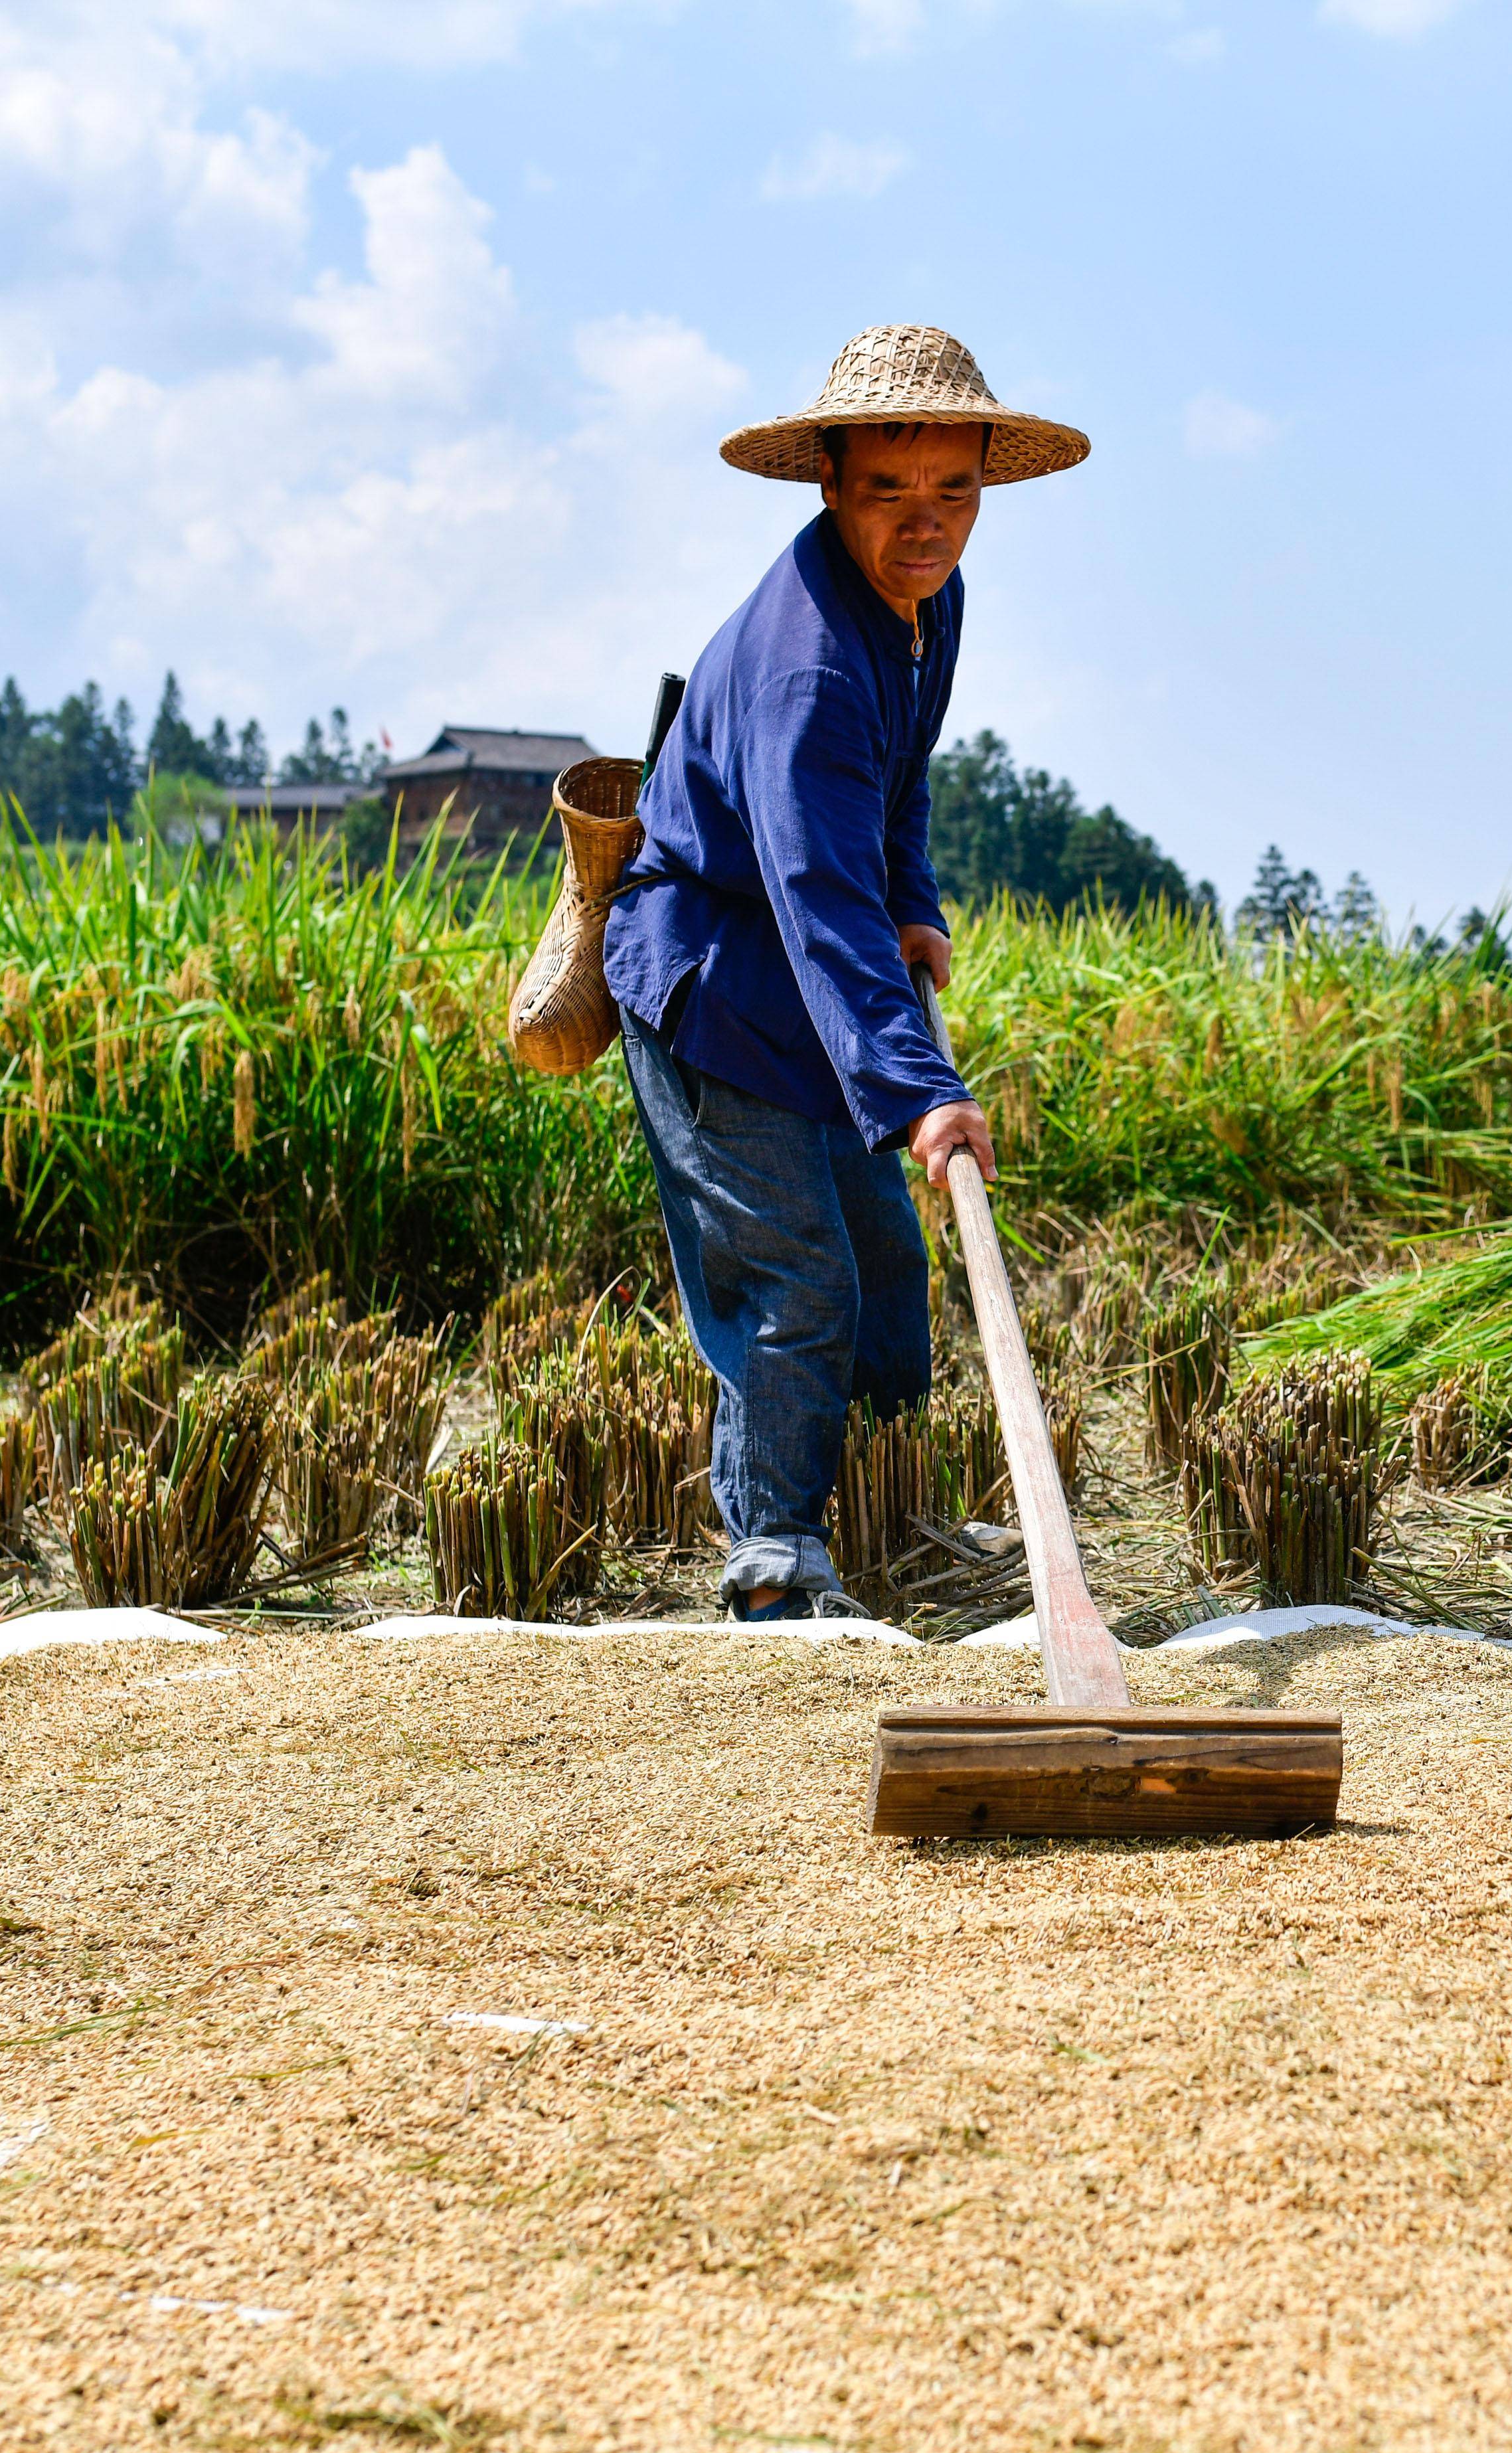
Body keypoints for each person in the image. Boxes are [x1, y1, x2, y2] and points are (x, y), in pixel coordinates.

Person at [599, 326, 1090, 1620]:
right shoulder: (808, 663)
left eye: (953, 492)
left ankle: (888, 1512)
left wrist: (915, 903)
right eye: (889, 493)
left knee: (883, 1261)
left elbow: (899, 782)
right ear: (833, 484)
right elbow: (818, 891)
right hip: (717, 980)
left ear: (984, 480)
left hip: (818, 968)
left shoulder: (928, 605)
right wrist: (920, 1089)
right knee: (797, 1274)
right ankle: (775, 1556)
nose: (924, 525)